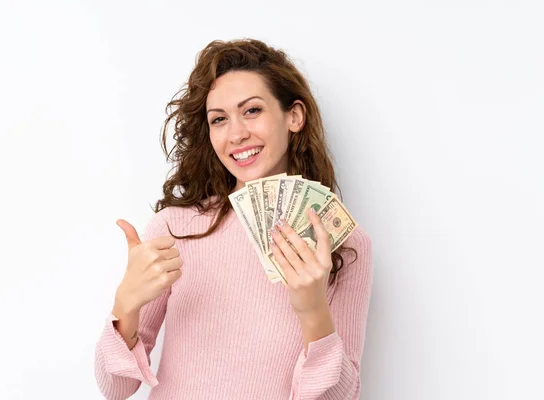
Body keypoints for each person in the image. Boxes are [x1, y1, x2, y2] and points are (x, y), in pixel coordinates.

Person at [94, 38, 373, 400]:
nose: (237, 133)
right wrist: (125, 306)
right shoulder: (175, 228)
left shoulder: (346, 244)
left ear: (294, 116)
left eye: (252, 111)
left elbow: (340, 396)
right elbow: (116, 389)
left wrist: (313, 310)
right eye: (219, 119)